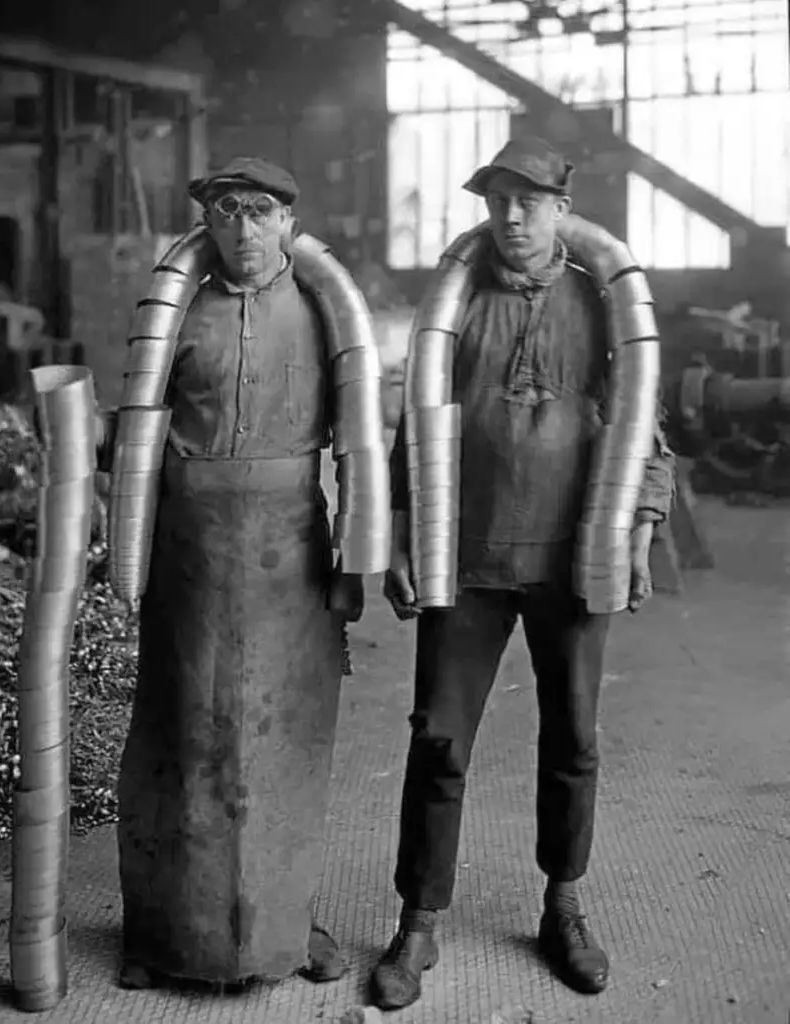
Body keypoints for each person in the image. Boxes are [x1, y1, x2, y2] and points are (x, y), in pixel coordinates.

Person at [372, 136, 676, 1010]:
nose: (512, 217)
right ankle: (418, 920)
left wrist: (641, 529)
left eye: (530, 202)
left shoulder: (601, 299)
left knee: (573, 740)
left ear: (560, 208)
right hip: (465, 557)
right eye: (498, 201)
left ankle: (564, 906)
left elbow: (642, 422)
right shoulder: (456, 300)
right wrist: (399, 533)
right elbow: (413, 421)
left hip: (571, 556)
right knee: (437, 738)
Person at [113, 157, 366, 990]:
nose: (243, 230)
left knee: (285, 744)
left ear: (289, 222)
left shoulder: (327, 310)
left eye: (259, 212)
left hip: (288, 550)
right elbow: (136, 435)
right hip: (189, 548)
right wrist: (124, 555)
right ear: (209, 223)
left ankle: (283, 930)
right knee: (181, 739)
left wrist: (356, 562)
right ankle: (160, 936)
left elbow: (364, 440)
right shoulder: (178, 307)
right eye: (226, 212)